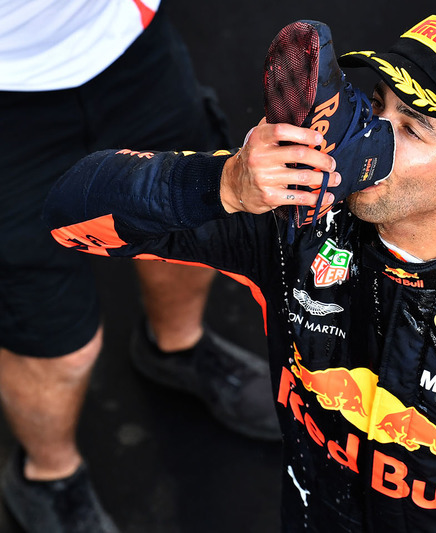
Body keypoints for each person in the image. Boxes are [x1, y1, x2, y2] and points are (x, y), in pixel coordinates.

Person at [43, 9, 436, 532]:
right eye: (375, 104)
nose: (371, 135)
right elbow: (69, 213)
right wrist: (224, 184)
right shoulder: (291, 219)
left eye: (412, 128)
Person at [0, 1, 279, 532]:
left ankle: (175, 349)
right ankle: (47, 476)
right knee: (52, 338)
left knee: (192, 228)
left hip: (129, 44)